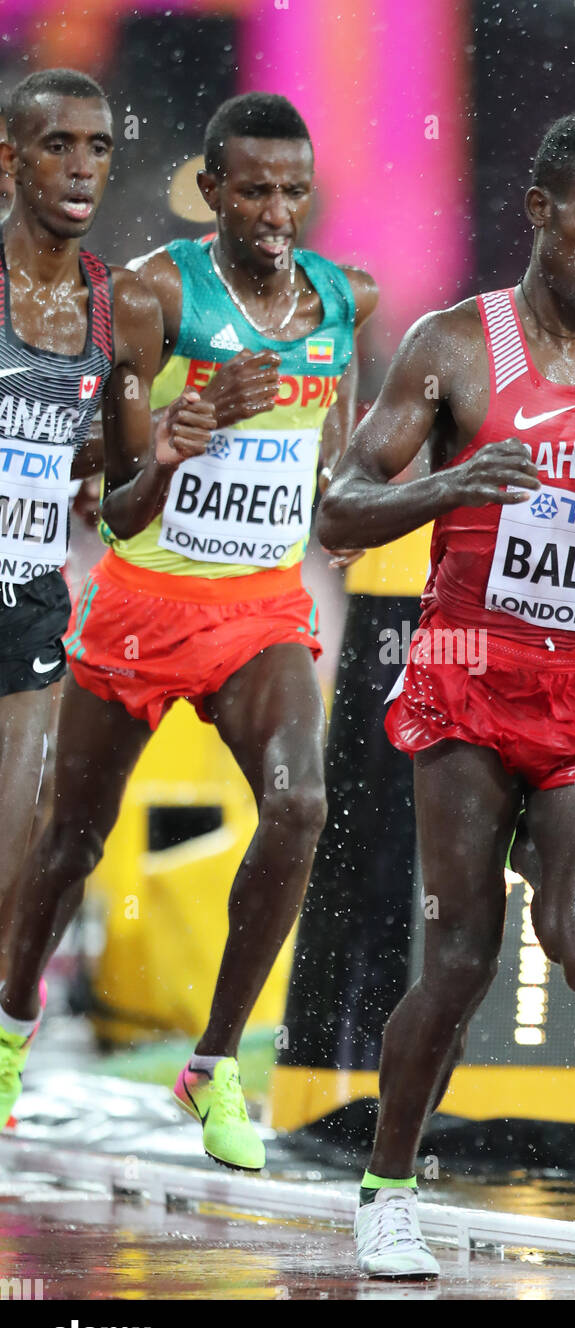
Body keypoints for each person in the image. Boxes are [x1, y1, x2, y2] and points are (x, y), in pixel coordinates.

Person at [318, 113, 575, 1276]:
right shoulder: (454, 347)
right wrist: (453, 479)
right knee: (458, 962)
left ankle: (540, 835)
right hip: (467, 680)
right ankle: (390, 1185)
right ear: (540, 210)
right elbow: (341, 510)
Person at [0, 91, 378, 1172]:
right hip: (139, 602)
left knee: (299, 802)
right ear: (211, 190)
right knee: (69, 839)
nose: (274, 211)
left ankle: (213, 1066)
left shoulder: (339, 303)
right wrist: (183, 434)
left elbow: (335, 468)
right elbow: (118, 508)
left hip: (259, 606)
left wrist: (348, 515)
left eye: (293, 191)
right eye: (252, 190)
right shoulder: (155, 296)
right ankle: (11, 1026)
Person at [0, 67, 214, 1088]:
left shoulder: (115, 304)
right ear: (9, 159)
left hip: (30, 593)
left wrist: (155, 450)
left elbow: (113, 465)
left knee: (18, 845)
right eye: (57, 146)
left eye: (97, 149)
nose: (81, 168)